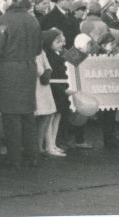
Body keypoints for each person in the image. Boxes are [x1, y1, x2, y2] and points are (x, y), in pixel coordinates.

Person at [0, 0, 41, 169]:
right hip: (28, 68)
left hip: (8, 69)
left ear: (9, 1)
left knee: (10, 116)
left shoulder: (2, 21)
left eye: (0, 1)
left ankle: (14, 158)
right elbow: (38, 48)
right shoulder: (32, 19)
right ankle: (32, 156)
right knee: (27, 114)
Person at [42, 28, 69, 156]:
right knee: (50, 117)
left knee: (57, 116)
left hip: (61, 89)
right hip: (55, 90)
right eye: (57, 41)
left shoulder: (61, 53)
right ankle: (49, 145)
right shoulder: (49, 56)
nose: (61, 44)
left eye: (62, 41)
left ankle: (53, 143)